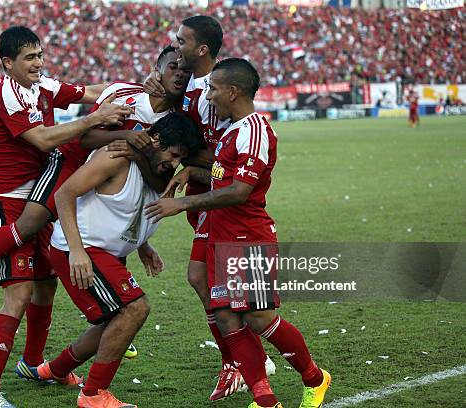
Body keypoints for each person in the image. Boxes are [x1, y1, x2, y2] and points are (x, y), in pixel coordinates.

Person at [0, 26, 133, 408]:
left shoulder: (42, 85)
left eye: (40, 55)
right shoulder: (4, 95)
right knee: (19, 293)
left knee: (46, 286)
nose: (39, 63)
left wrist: (137, 92)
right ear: (8, 63)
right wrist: (94, 120)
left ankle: (31, 364)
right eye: (30, 58)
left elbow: (90, 92)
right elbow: (44, 140)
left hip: (39, 198)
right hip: (8, 201)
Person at [144, 58, 331, 408]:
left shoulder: (253, 130)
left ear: (232, 91)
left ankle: (316, 379)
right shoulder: (231, 131)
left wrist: (183, 205)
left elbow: (239, 192)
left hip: (248, 236)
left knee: (259, 318)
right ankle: (265, 400)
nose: (208, 95)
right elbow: (221, 180)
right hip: (220, 236)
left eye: (213, 89)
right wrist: (191, 175)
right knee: (228, 316)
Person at [140, 15, 275, 401]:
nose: (175, 44)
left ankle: (242, 363)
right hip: (205, 194)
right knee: (212, 284)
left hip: (220, 199)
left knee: (206, 280)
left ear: (201, 49)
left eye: (181, 40)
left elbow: (221, 152)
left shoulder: (212, 91)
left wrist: (190, 169)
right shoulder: (193, 85)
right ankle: (248, 361)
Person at [35, 112, 201, 408]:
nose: (174, 163)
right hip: (82, 248)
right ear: (156, 140)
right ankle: (93, 394)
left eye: (181, 159)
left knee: (114, 319)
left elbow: (125, 206)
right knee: (134, 309)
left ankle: (55, 370)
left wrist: (143, 244)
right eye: (173, 154)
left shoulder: (153, 168)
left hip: (105, 251)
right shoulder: (118, 156)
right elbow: (64, 195)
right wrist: (76, 250)